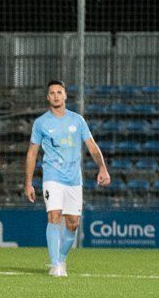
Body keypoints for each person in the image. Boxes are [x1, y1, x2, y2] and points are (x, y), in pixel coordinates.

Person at [24, 80, 110, 277]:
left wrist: (102, 168)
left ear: (65, 96)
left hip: (74, 179)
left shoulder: (77, 121)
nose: (55, 95)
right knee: (54, 216)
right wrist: (29, 182)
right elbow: (32, 153)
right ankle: (55, 264)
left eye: (59, 92)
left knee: (73, 223)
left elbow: (92, 147)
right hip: (52, 176)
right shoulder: (41, 123)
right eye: (52, 92)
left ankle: (61, 259)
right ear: (48, 97)